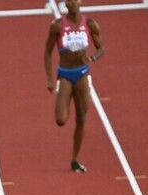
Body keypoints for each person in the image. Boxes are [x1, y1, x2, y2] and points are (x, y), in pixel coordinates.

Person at [44, 0, 104, 172]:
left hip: (82, 73)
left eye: (75, 0)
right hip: (65, 73)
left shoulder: (90, 24)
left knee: (82, 118)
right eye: (69, 0)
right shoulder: (57, 26)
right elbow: (47, 52)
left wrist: (92, 58)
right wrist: (49, 78)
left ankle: (75, 159)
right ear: (66, 4)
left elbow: (101, 48)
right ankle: (66, 98)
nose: (72, 3)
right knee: (61, 119)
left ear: (80, 2)